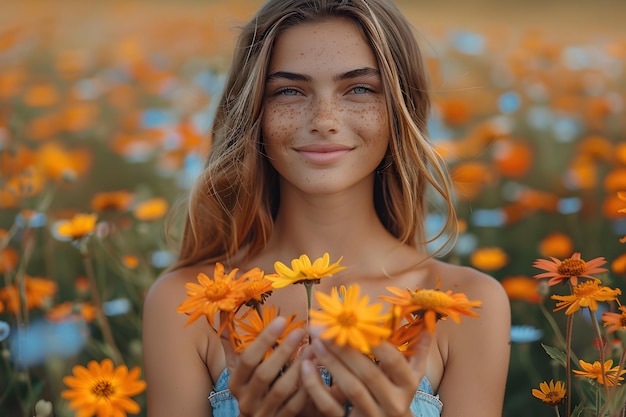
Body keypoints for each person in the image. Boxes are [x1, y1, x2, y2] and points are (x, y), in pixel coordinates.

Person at [142, 0, 511, 416]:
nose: (324, 119)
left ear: (400, 109)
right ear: (253, 114)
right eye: (289, 91)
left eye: (358, 89)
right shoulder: (190, 305)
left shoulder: (465, 304)